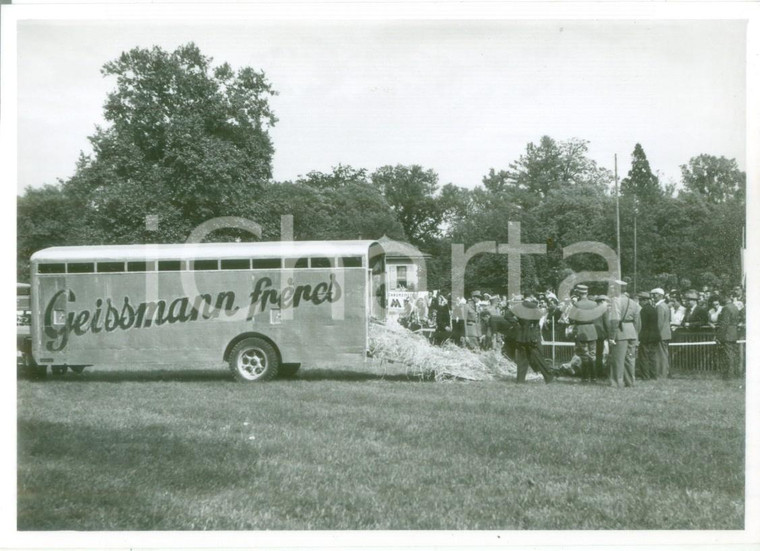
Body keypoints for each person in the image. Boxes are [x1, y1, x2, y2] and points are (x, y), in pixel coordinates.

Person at [511, 295, 554, 384]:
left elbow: (507, 315)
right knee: (538, 357)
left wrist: (516, 323)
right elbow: (538, 318)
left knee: (522, 359)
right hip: (531, 335)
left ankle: (520, 380)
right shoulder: (533, 307)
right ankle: (549, 377)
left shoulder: (517, 307)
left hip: (521, 335)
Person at [608, 280, 641, 388]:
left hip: (620, 332)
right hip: (631, 331)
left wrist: (612, 336)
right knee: (630, 359)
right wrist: (636, 334)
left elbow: (615, 320)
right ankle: (630, 381)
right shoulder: (633, 302)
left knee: (618, 359)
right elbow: (637, 321)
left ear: (617, 289)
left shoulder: (615, 301)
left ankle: (617, 382)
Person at [566, 284, 602, 383]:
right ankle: (594, 377)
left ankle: (585, 377)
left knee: (584, 355)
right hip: (592, 330)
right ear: (587, 293)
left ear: (578, 293)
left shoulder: (577, 305)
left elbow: (571, 319)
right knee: (592, 355)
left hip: (581, 330)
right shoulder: (594, 304)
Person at [716, 294, 741, 378]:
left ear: (725, 298)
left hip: (727, 334)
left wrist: (719, 337)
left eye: (721, 298)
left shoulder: (726, 308)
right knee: (733, 354)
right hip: (734, 334)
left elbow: (724, 324)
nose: (720, 301)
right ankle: (736, 373)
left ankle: (729, 374)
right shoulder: (734, 307)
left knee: (728, 355)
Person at [637, 291, 658, 380]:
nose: (639, 302)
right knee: (652, 357)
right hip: (655, 336)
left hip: (646, 337)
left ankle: (645, 376)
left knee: (644, 357)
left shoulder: (644, 310)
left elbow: (642, 325)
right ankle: (653, 375)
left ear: (644, 300)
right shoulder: (653, 309)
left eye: (640, 300)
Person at [651, 288, 672, 379]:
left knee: (661, 355)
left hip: (661, 335)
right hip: (666, 334)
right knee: (664, 354)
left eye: (655, 294)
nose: (653, 296)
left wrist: (656, 334)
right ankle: (664, 373)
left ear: (660, 295)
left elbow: (659, 323)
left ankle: (661, 374)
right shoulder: (665, 305)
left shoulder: (659, 306)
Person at [593, 295, 611, 381]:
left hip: (591, 334)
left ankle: (591, 372)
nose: (607, 304)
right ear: (602, 301)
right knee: (599, 354)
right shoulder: (604, 310)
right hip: (600, 334)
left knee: (592, 354)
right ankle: (599, 372)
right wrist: (610, 334)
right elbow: (607, 323)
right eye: (606, 302)